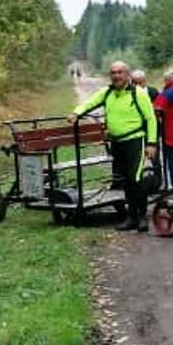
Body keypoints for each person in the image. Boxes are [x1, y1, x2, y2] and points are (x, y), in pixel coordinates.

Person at [69, 60, 157, 231]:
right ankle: (131, 217)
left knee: (136, 179)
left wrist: (151, 143)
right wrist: (76, 113)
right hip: (117, 143)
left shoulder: (137, 93)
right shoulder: (107, 92)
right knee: (125, 181)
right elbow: (90, 103)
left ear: (127, 74)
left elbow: (150, 118)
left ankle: (142, 218)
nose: (116, 76)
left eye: (120, 72)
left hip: (135, 141)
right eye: (113, 73)